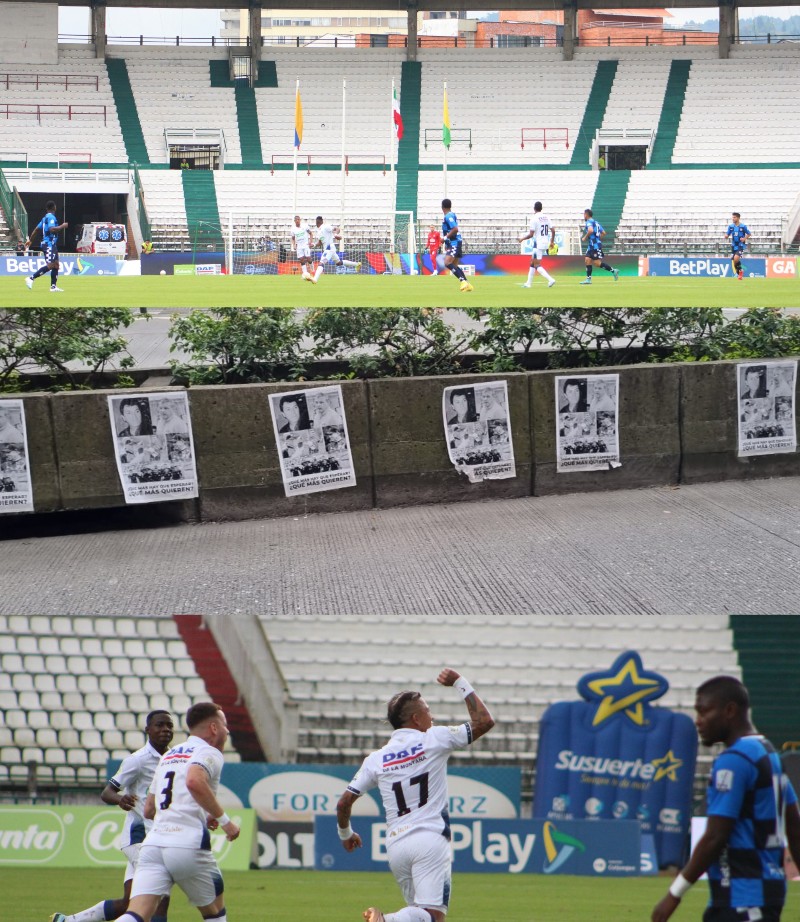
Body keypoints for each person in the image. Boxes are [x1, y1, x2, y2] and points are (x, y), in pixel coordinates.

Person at [336, 667, 495, 922]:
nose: (432, 717)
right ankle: (386, 920)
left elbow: (344, 802)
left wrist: (346, 834)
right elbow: (485, 722)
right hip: (429, 840)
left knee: (420, 916)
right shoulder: (434, 738)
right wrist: (459, 682)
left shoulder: (377, 759)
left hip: (397, 846)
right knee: (433, 917)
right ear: (416, 719)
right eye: (428, 711)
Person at [652, 675, 800, 922]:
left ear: (729, 711)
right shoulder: (768, 752)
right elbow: (794, 826)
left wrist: (674, 895)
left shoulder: (735, 759)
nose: (698, 721)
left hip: (744, 897)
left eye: (704, 711)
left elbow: (715, 836)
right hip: (763, 893)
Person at [114, 702, 240, 922]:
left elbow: (149, 809)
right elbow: (194, 781)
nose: (227, 730)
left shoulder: (169, 756)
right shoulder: (208, 752)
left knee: (136, 914)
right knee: (215, 912)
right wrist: (225, 821)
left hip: (153, 846)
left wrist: (202, 812)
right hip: (187, 844)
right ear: (213, 728)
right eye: (224, 724)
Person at [49, 711, 175, 922]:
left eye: (169, 726)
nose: (165, 730)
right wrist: (120, 799)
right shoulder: (138, 760)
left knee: (128, 903)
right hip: (139, 837)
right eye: (159, 725)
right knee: (158, 896)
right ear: (148, 730)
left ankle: (68, 921)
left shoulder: (173, 758)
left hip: (157, 837)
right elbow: (107, 792)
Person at [24, 199, 68, 292]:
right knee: (51, 265)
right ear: (54, 207)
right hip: (49, 244)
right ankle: (31, 278)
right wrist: (63, 226)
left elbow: (36, 230)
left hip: (52, 244)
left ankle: (53, 287)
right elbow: (52, 229)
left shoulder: (44, 219)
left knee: (56, 264)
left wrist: (30, 240)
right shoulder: (51, 217)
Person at [309, 217, 361, 283]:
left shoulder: (326, 227)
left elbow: (337, 229)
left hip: (329, 248)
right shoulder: (319, 232)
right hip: (330, 249)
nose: (317, 222)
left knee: (321, 263)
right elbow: (320, 242)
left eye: (318, 221)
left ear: (320, 221)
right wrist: (313, 245)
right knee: (339, 263)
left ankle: (315, 279)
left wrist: (336, 234)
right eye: (317, 221)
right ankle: (357, 264)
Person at [517, 200, 556, 289]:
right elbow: (553, 230)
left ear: (534, 209)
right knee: (532, 262)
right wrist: (552, 242)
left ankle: (550, 279)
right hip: (545, 243)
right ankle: (528, 283)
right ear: (541, 208)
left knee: (536, 264)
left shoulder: (534, 218)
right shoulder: (546, 217)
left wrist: (522, 239)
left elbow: (531, 234)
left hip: (538, 244)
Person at [441, 199, 473, 292]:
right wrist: (447, 243)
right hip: (454, 242)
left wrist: (445, 238)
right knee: (454, 265)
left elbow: (455, 229)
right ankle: (468, 284)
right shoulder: (451, 215)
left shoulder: (448, 216)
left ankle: (463, 281)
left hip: (455, 242)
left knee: (447, 262)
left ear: (442, 207)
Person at [580, 208, 619, 285]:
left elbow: (590, 230)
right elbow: (604, 233)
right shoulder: (596, 222)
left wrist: (585, 237)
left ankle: (613, 271)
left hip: (595, 246)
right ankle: (588, 279)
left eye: (584, 214)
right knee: (587, 260)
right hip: (591, 245)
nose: (583, 216)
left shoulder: (589, 222)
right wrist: (598, 239)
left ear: (586, 215)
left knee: (597, 263)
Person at [726, 212, 751, 281]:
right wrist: (726, 236)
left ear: (738, 218)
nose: (733, 218)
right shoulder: (731, 226)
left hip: (740, 245)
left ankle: (740, 273)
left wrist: (744, 239)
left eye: (734, 217)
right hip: (733, 245)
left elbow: (749, 234)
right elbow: (728, 234)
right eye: (732, 217)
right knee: (734, 261)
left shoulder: (743, 226)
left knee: (736, 258)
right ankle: (739, 273)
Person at [291, 215, 313, 281]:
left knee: (309, 259)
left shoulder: (305, 226)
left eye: (298, 219)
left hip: (306, 245)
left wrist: (310, 242)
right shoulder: (293, 229)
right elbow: (293, 238)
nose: (297, 221)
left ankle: (313, 271)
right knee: (302, 260)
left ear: (300, 220)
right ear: (294, 221)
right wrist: (294, 245)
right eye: (296, 220)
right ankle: (305, 274)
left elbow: (311, 234)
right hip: (299, 247)